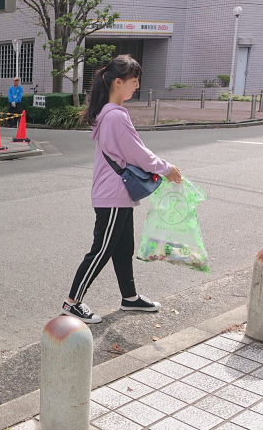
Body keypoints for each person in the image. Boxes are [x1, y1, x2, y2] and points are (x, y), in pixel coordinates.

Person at [61, 55, 183, 324]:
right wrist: (167, 168)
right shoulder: (115, 116)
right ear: (118, 82)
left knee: (123, 246)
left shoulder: (109, 113)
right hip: (113, 194)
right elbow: (137, 153)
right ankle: (72, 302)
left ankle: (129, 297)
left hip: (117, 193)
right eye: (134, 80)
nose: (136, 85)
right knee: (103, 249)